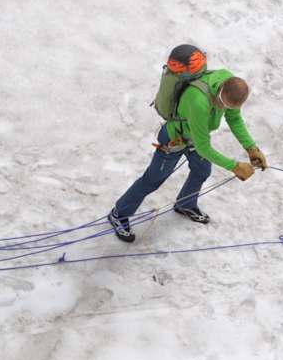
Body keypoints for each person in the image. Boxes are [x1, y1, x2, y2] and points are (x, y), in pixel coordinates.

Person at [108, 44, 267, 242]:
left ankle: (185, 204)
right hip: (175, 139)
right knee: (152, 180)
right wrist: (234, 166)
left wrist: (251, 148)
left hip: (193, 137)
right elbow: (203, 146)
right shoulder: (198, 102)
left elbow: (234, 119)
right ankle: (119, 213)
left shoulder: (229, 86)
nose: (225, 109)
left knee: (202, 170)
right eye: (224, 105)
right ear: (221, 92)